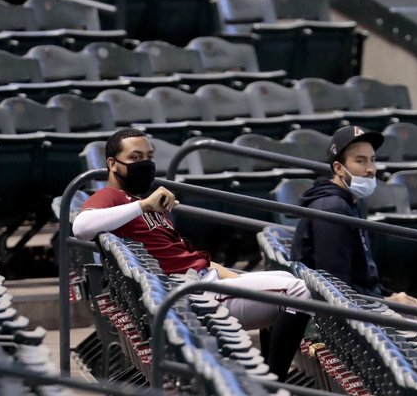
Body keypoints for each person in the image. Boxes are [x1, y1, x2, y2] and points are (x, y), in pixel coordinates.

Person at [72, 127, 312, 379]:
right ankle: (274, 387)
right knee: (298, 292)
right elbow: (81, 227)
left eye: (149, 157)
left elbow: (190, 256)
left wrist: (235, 280)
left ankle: (268, 381)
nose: (145, 163)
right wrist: (143, 206)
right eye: (135, 157)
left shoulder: (140, 201)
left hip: (203, 279)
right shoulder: (112, 196)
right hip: (192, 295)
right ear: (112, 164)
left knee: (285, 281)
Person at [290, 125, 417, 360]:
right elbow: (335, 289)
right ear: (339, 168)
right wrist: (387, 303)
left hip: (371, 308)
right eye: (360, 161)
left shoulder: (349, 203)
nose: (370, 169)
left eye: (372, 160)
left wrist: (392, 299)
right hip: (356, 326)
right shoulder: (332, 209)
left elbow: (359, 278)